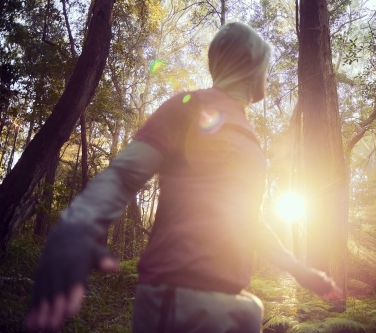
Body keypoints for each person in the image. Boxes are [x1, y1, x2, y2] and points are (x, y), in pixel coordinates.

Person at [26, 22, 341, 332]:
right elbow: (124, 175)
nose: (268, 75)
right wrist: (77, 226)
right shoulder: (189, 106)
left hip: (233, 305)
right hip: (179, 299)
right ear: (248, 62)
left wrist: (300, 271)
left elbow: (249, 220)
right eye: (266, 65)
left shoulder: (248, 134)